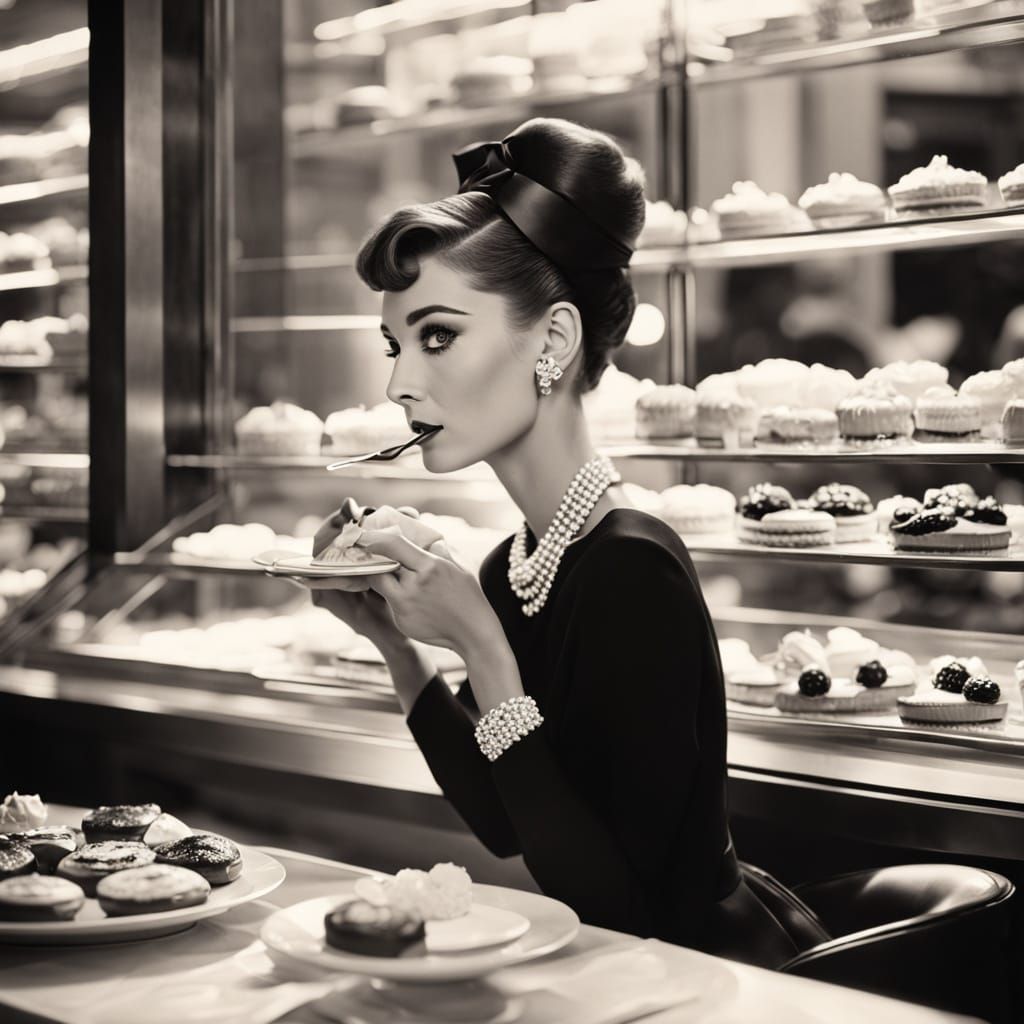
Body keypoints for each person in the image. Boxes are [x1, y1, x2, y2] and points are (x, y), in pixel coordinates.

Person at [296, 118, 795, 966]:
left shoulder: (631, 566)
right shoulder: (519, 562)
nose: (397, 382)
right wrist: (394, 645)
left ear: (554, 342)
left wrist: (480, 644)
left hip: (713, 984)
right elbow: (508, 820)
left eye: (438, 335)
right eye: (396, 343)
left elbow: (622, 905)